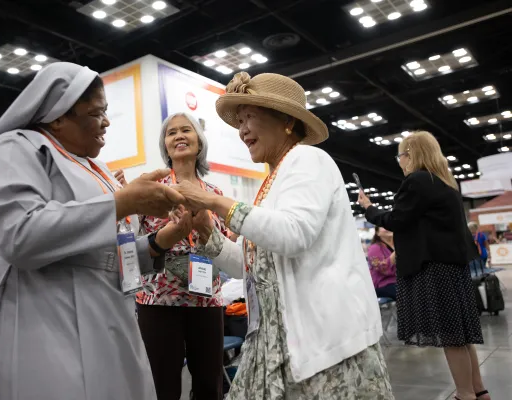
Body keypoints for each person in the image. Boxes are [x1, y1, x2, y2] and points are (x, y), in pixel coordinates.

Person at [0, 62, 186, 400]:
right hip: (38, 315)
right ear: (57, 116)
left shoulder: (95, 166)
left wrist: (161, 241)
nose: (107, 122)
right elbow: (19, 235)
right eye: (96, 112)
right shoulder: (14, 148)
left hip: (104, 315)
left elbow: (100, 255)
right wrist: (121, 203)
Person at [176, 72, 392, 399]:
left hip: (321, 342)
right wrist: (208, 232)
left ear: (287, 121)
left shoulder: (308, 159)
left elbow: (293, 235)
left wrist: (215, 202)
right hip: (278, 343)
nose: (242, 129)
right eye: (240, 120)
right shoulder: (275, 180)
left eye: (250, 117)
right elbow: (250, 269)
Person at [358, 131, 489, 400]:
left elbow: (397, 220)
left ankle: (464, 395)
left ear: (411, 155)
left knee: (451, 337)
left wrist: (370, 209)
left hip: (434, 268)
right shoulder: (445, 183)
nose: (399, 161)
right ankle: (479, 391)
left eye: (401, 155)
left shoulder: (417, 181)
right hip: (452, 267)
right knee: (461, 334)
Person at [136, 112, 230, 400]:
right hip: (158, 300)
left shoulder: (214, 193)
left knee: (208, 383)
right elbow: (136, 242)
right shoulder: (152, 189)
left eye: (186, 130)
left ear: (199, 143)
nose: (178, 136)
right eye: (171, 132)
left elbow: (223, 244)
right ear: (165, 146)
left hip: (207, 300)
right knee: (162, 386)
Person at [368, 227, 397, 300]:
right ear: (377, 233)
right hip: (383, 284)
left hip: (399, 281)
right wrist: (396, 252)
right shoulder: (374, 248)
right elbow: (382, 268)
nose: (387, 227)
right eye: (383, 226)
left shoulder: (397, 244)